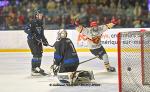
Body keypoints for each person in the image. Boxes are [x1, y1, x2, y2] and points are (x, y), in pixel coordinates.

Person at [24, 9, 49, 76]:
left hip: (38, 41)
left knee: (40, 54)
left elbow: (41, 34)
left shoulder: (41, 23)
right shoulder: (32, 22)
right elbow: (26, 29)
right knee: (36, 54)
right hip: (32, 40)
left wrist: (44, 41)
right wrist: (32, 34)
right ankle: (33, 69)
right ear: (36, 15)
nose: (41, 16)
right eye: (40, 15)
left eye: (41, 15)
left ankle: (37, 67)